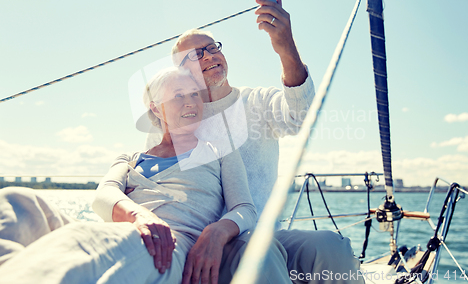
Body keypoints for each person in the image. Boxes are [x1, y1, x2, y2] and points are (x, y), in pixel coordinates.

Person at [137, 0, 364, 284]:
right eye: (196, 55)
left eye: (212, 47)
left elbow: (300, 115)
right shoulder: (171, 122)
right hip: (204, 243)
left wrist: (285, 46)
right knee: (258, 254)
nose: (209, 56)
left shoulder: (257, 101)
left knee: (334, 247)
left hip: (265, 234)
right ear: (180, 72)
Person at [0, 68, 271, 284]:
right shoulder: (130, 158)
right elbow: (104, 194)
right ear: (156, 108)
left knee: (82, 242)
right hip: (122, 230)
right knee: (14, 200)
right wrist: (138, 214)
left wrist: (217, 231)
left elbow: (244, 208)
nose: (191, 103)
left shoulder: (220, 152)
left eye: (194, 95)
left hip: (167, 248)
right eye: (179, 95)